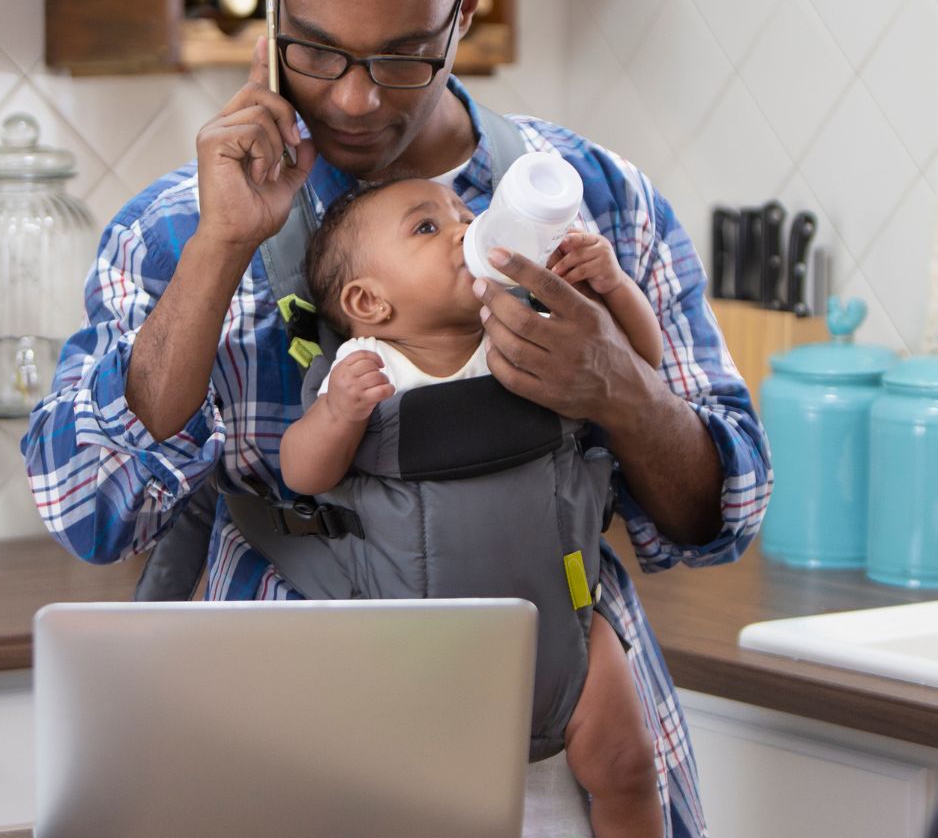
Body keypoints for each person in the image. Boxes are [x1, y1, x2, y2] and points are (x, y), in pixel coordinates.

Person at [22, 0, 772, 837]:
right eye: (317, 50)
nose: (357, 98)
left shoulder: (592, 198)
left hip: (567, 750)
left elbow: (716, 521)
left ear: (467, 6)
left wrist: (621, 390)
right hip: (282, 758)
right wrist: (220, 249)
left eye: (404, 56)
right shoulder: (176, 230)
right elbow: (89, 512)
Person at [281, 176, 666, 837]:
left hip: (567, 614)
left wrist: (611, 289)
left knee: (627, 766)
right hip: (426, 649)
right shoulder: (368, 367)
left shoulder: (527, 334)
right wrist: (339, 413)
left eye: (465, 213)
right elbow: (303, 473)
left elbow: (639, 367)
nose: (466, 228)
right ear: (368, 301)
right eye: (427, 228)